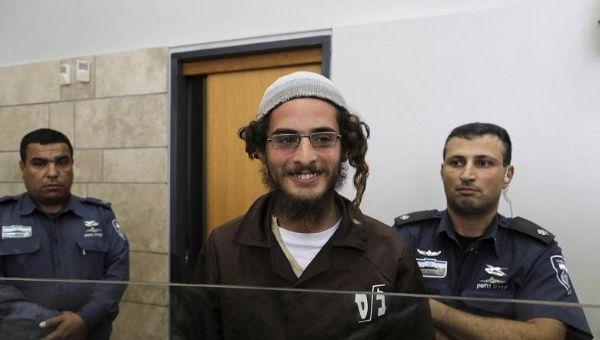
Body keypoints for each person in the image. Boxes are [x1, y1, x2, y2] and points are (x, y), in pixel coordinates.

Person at [175, 71, 434, 340]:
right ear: (262, 151)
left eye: (323, 138)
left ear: (345, 148)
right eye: (286, 139)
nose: (305, 157)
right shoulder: (224, 248)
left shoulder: (389, 252)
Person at [394, 122, 592, 339]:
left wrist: (431, 310)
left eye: (483, 163)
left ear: (508, 174)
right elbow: (374, 319)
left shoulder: (535, 251)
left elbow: (545, 336)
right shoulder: (405, 237)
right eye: (457, 162)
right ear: (443, 172)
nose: (467, 174)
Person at [0, 128, 129, 340]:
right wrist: (52, 322)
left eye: (62, 162)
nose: (52, 172)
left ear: (72, 164)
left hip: (88, 333)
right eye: (39, 163)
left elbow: (117, 272)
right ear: (22, 168)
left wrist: (85, 319)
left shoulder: (99, 215)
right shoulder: (3, 216)